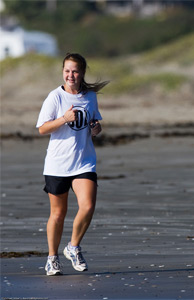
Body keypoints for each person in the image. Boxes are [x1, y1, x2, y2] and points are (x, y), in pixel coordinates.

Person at [36, 53, 108, 276]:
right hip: (57, 164)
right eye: (67, 71)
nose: (71, 75)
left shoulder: (90, 97)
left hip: (84, 162)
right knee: (58, 214)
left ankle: (73, 246)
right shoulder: (55, 97)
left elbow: (94, 123)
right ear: (62, 72)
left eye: (75, 71)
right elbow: (42, 128)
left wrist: (96, 129)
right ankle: (52, 259)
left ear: (82, 73)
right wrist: (64, 119)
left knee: (87, 206)